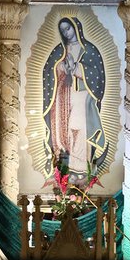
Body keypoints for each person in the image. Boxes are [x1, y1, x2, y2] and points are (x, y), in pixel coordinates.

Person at [42, 16, 108, 182]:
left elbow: (97, 75)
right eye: (63, 30)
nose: (66, 32)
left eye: (68, 28)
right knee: (64, 130)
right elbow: (48, 70)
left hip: (82, 96)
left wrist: (77, 68)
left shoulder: (89, 50)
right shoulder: (59, 51)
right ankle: (65, 167)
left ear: (76, 27)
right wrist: (62, 67)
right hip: (63, 96)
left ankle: (80, 169)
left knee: (79, 128)